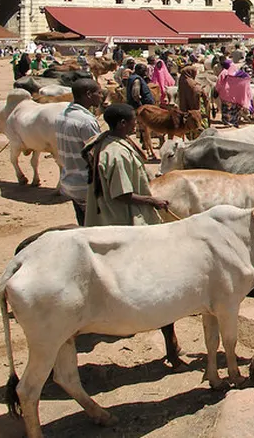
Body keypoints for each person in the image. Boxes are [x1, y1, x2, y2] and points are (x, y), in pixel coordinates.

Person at [83, 102, 179, 363]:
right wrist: (153, 202)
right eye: (133, 123)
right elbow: (122, 194)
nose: (136, 126)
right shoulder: (117, 153)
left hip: (107, 212)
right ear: (123, 124)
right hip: (120, 218)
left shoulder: (104, 142)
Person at [54, 78, 103, 226]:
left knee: (83, 224)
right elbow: (96, 154)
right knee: (97, 229)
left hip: (70, 180)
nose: (101, 96)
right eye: (99, 93)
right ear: (89, 94)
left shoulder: (62, 115)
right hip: (85, 184)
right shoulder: (86, 121)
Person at [217, 58, 252, 127]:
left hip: (225, 94)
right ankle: (234, 121)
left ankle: (227, 122)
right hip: (236, 95)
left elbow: (219, 83)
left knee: (226, 108)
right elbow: (246, 78)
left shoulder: (224, 72)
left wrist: (217, 90)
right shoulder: (236, 72)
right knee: (234, 108)